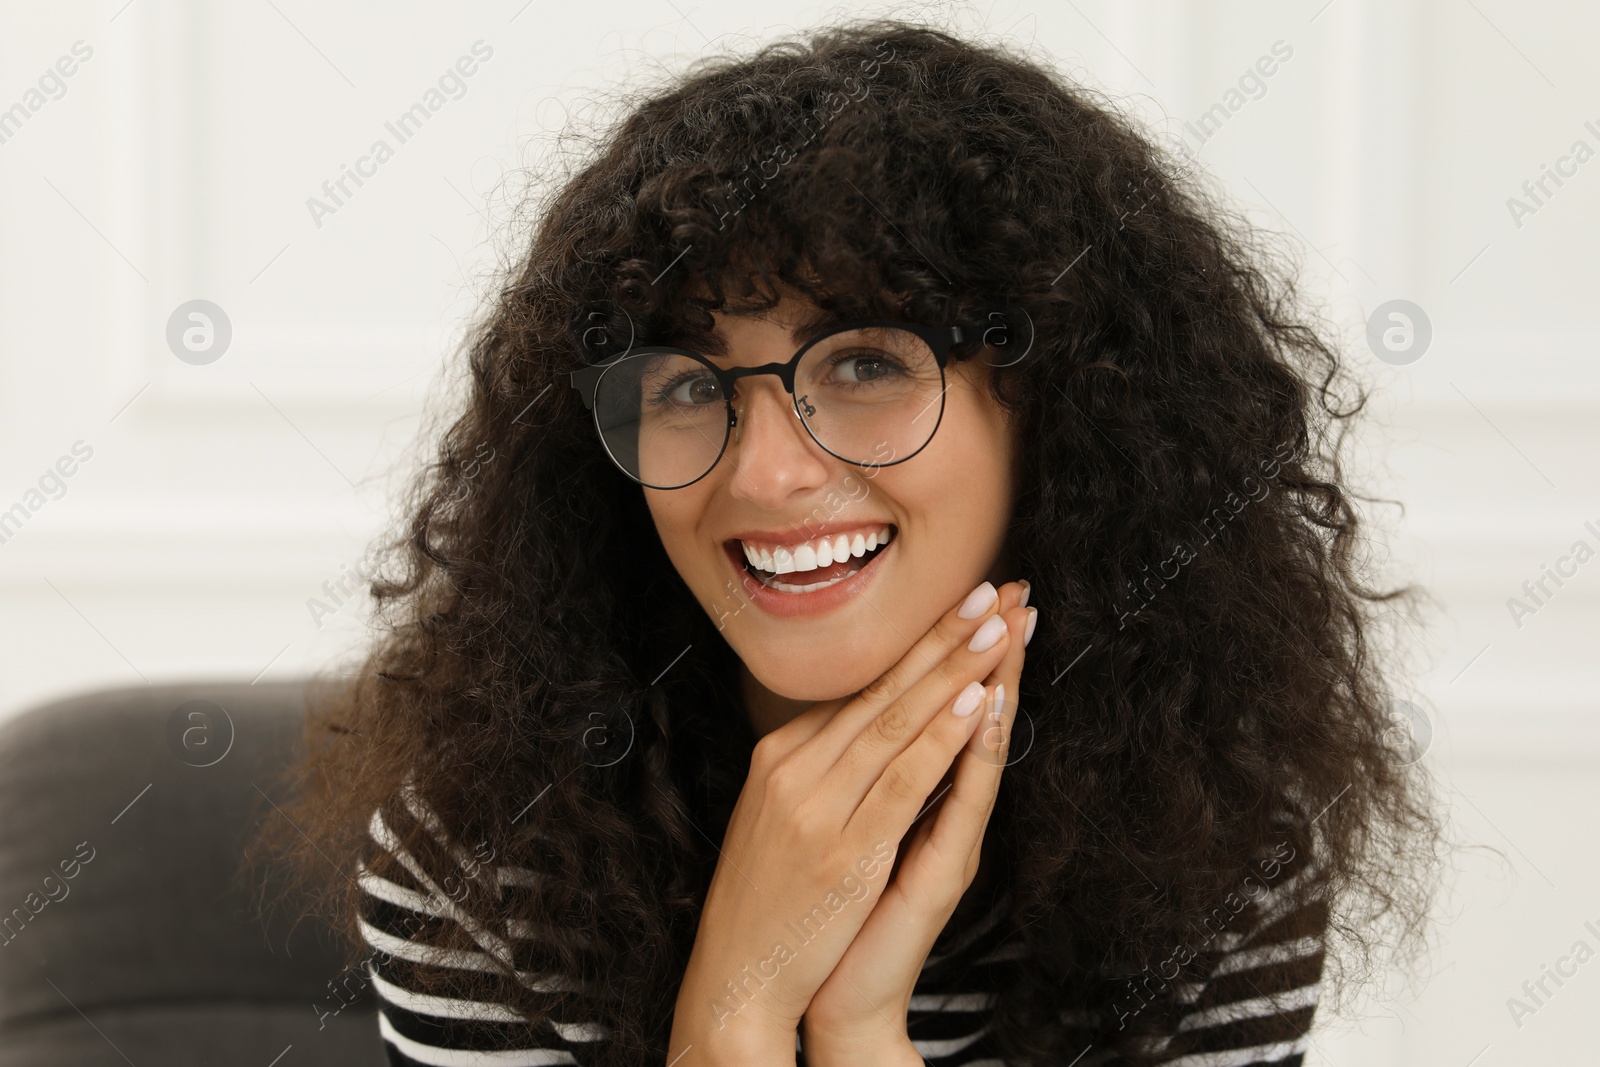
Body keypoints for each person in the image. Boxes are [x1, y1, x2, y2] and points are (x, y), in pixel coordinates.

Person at [249, 17, 1445, 1067]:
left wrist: (863, 1030)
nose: (764, 472)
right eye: (680, 385)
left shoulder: (1216, 847)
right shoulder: (490, 863)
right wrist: (730, 1015)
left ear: (1062, 405)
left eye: (866, 363)